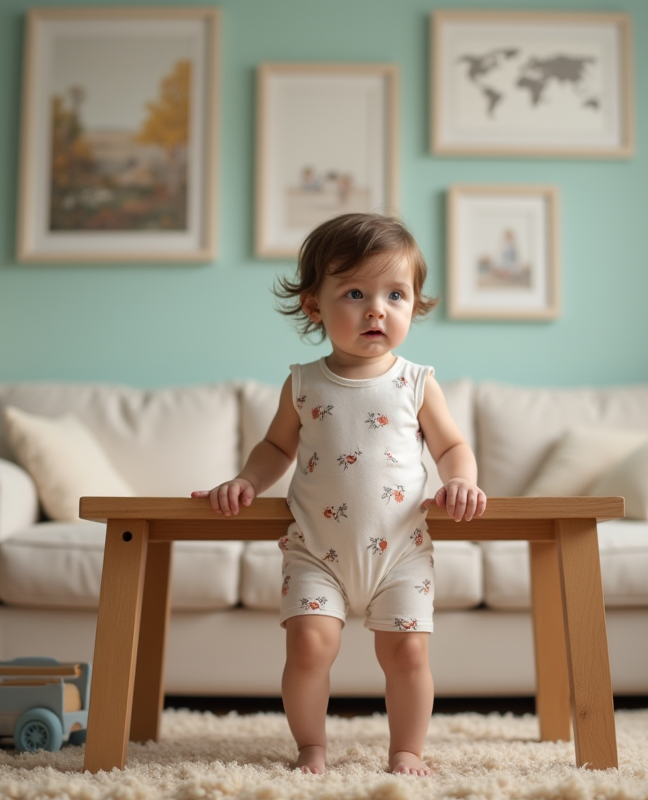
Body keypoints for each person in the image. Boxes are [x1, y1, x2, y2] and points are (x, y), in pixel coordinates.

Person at [193, 213, 486, 776]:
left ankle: (406, 751)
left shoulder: (416, 381)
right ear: (314, 306)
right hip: (315, 550)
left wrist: (461, 481)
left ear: (413, 305)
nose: (377, 308)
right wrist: (246, 481)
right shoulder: (303, 382)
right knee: (308, 646)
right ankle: (311, 747)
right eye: (355, 292)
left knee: (407, 652)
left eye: (395, 294)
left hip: (400, 551)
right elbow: (276, 448)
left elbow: (452, 447)